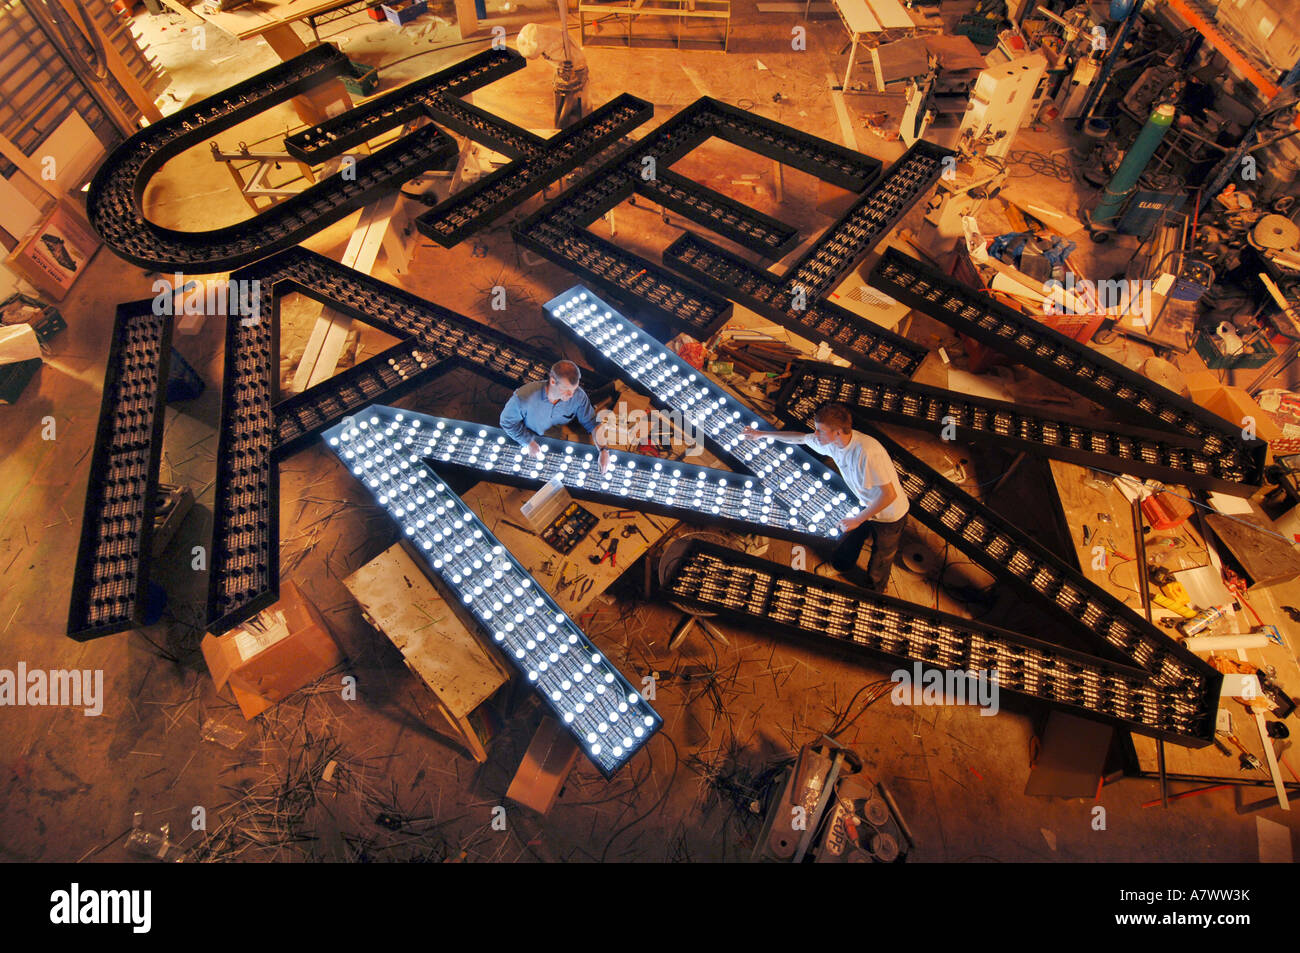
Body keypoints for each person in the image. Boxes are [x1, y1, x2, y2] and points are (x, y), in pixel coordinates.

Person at [742, 403, 908, 591]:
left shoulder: (868, 452)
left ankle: (875, 589)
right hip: (864, 504)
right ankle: (841, 566)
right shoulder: (833, 444)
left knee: (882, 556)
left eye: (820, 430)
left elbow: (889, 495)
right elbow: (800, 438)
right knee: (851, 539)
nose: (816, 434)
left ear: (837, 432)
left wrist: (858, 519)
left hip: (890, 514)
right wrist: (762, 434)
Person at [501, 360, 610, 473]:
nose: (571, 395)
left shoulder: (578, 396)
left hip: (556, 438)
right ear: (553, 381)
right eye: (567, 390)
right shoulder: (525, 397)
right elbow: (507, 422)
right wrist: (528, 442)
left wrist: (603, 450)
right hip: (527, 436)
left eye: (574, 389)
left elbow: (592, 422)